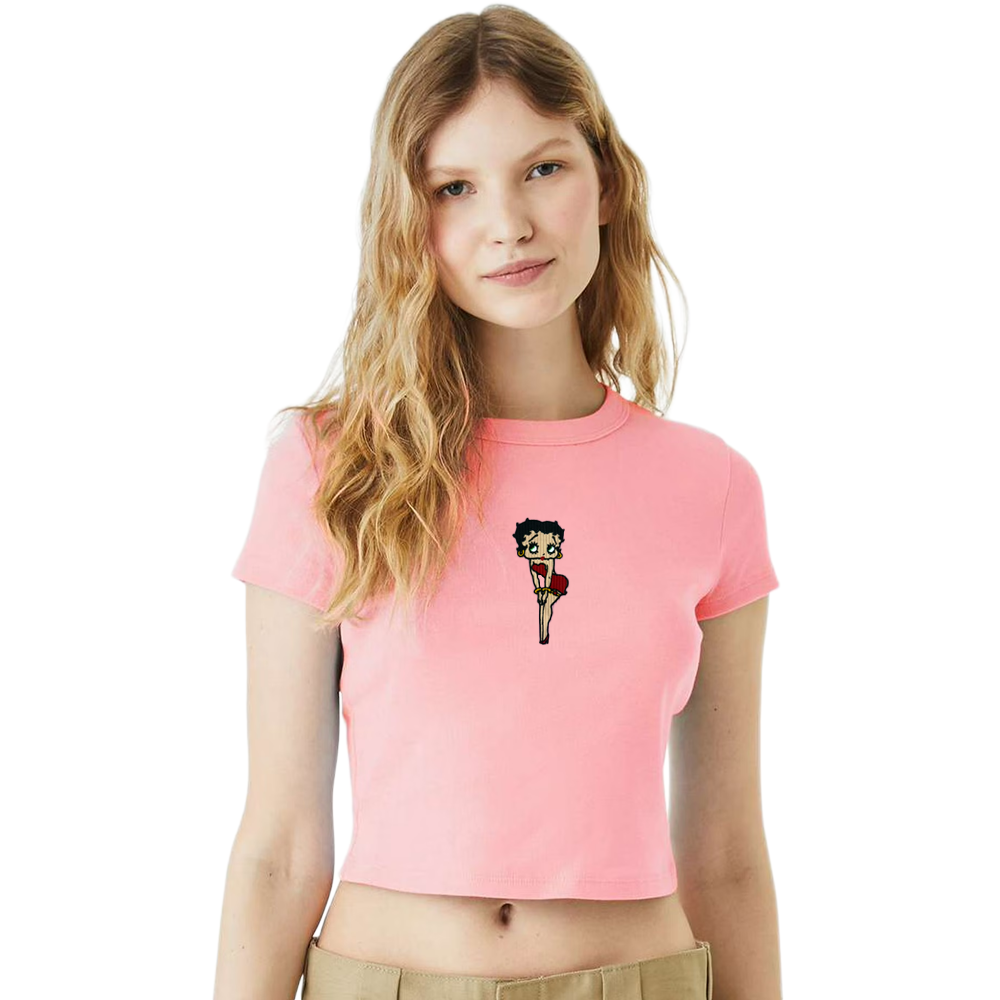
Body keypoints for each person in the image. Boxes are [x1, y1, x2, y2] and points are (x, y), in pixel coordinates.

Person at [215, 6, 782, 999]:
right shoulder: (331, 467)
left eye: (543, 168)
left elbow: (727, 850)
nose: (508, 223)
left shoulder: (711, 486)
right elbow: (281, 844)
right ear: (410, 219)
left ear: (606, 182)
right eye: (456, 187)